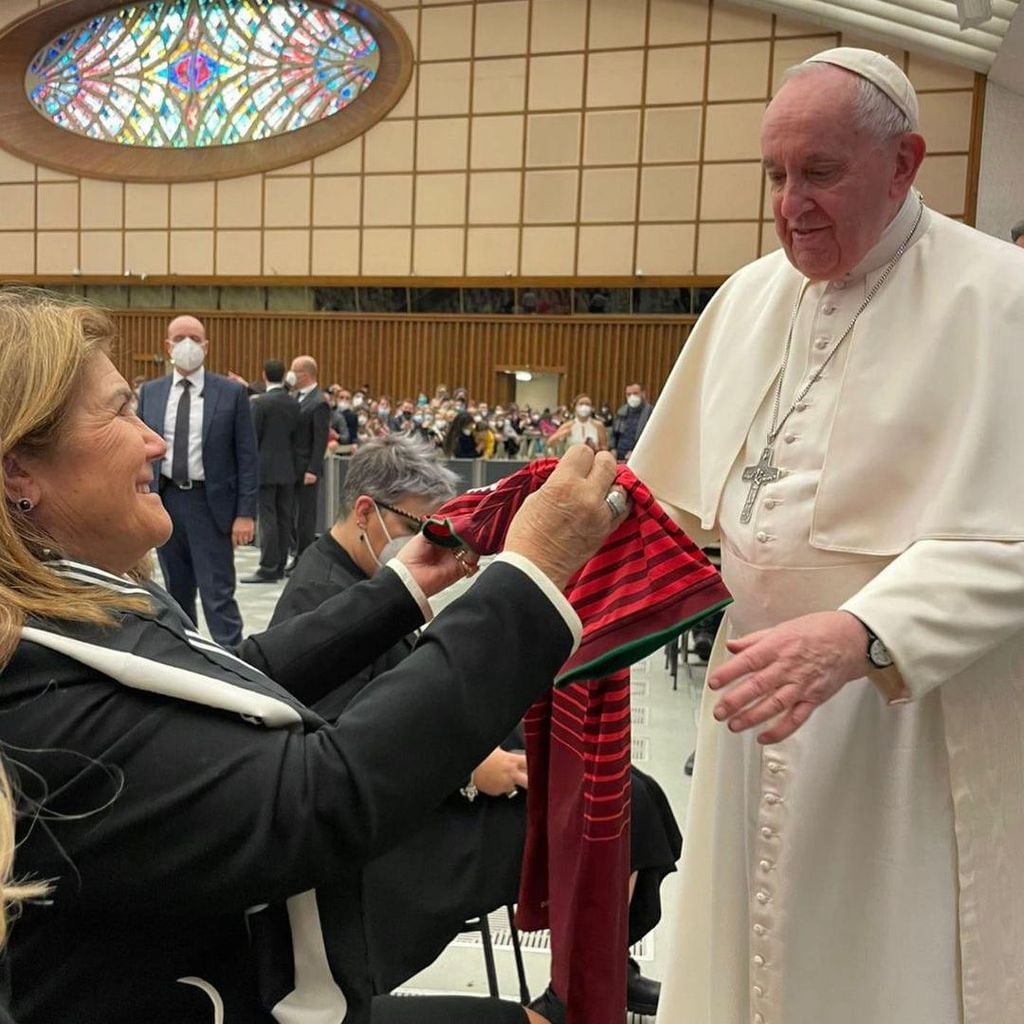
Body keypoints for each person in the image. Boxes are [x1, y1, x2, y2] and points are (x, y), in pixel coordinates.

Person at [0, 288, 627, 1024]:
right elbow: (319, 799)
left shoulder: (70, 602)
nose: (155, 440)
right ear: (18, 471)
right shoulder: (34, 685)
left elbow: (232, 678)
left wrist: (402, 589)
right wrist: (528, 578)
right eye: (118, 412)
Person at [629, 48, 1024, 1024]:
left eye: (820, 171)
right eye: (774, 173)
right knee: (741, 961)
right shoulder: (745, 300)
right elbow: (662, 500)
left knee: (872, 966)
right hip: (752, 700)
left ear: (903, 163)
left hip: (899, 716)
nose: (789, 202)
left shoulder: (998, 301)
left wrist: (861, 633)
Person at [274, 436, 677, 1018]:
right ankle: (579, 983)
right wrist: (468, 768)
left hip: (418, 767)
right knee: (605, 802)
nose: (433, 539)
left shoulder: (355, 573)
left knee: (612, 781)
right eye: (420, 524)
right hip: (393, 823)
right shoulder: (317, 594)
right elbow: (334, 742)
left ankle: (600, 959)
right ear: (366, 512)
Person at [137, 314, 258, 648]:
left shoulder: (231, 393)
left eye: (194, 337)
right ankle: (186, 657)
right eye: (179, 337)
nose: (186, 344)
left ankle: (234, 660)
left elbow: (247, 457)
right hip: (165, 500)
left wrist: (245, 513)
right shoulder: (151, 392)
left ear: (206, 346)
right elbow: (139, 451)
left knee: (218, 593)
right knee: (176, 592)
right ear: (167, 345)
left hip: (211, 504)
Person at [242, 359, 299, 584]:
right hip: (288, 468)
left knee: (268, 518)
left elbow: (252, 438)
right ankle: (280, 564)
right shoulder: (294, 403)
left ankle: (267, 566)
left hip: (265, 469)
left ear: (264, 375)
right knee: (284, 517)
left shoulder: (261, 403)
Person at [287, 354, 330, 567]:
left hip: (306, 468)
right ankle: (295, 552)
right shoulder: (295, 398)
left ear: (305, 374)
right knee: (291, 514)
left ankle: (303, 558)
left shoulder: (319, 402)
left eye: (294, 370)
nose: (291, 375)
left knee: (305, 516)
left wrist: (313, 468)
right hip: (291, 467)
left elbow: (320, 439)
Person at [611, 383, 653, 461]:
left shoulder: (650, 413)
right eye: (628, 394)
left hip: (640, 456)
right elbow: (614, 434)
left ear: (643, 394)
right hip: (620, 456)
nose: (632, 397)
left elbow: (651, 438)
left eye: (635, 393)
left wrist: (635, 452)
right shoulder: (621, 411)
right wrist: (613, 449)